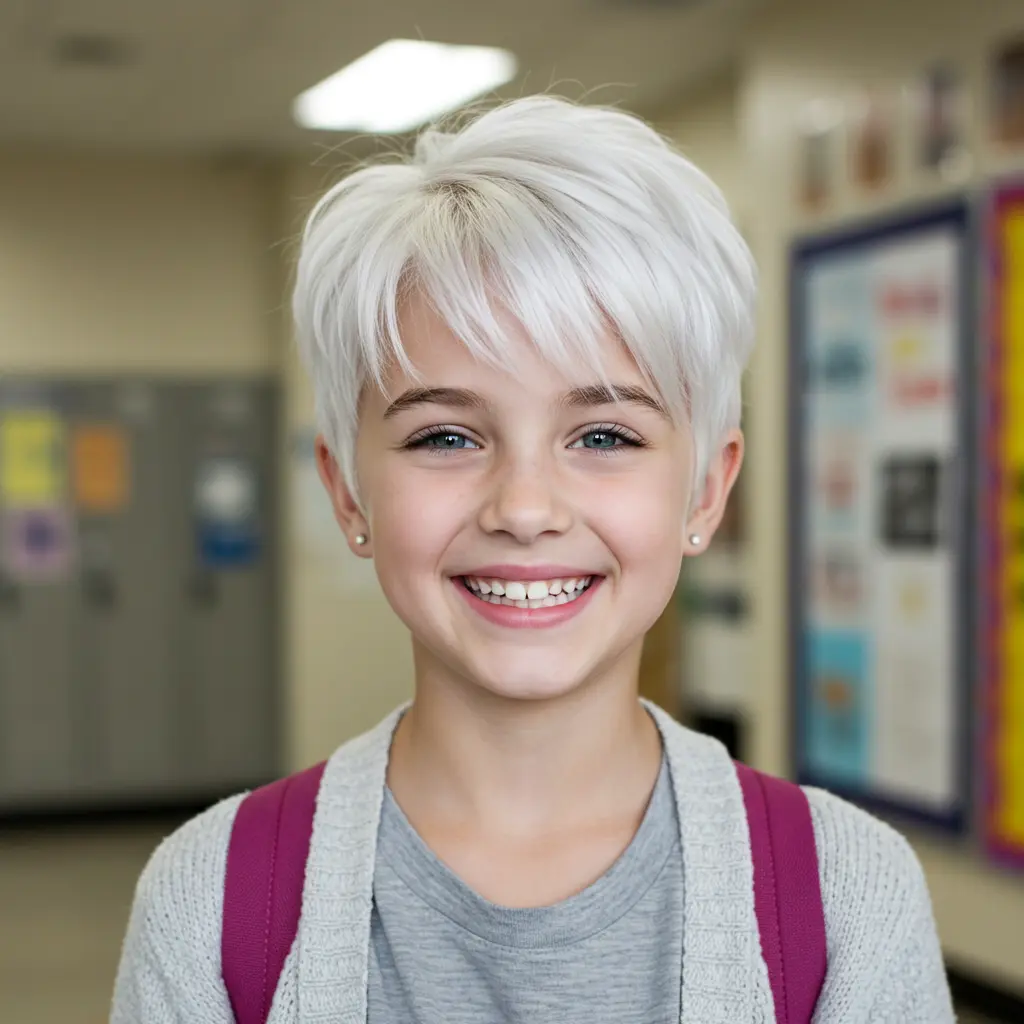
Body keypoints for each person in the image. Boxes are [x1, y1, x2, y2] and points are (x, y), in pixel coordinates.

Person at [110, 95, 954, 1023]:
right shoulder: (211, 906)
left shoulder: (846, 901)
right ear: (349, 491)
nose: (523, 508)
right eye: (443, 436)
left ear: (706, 493)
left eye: (601, 435)